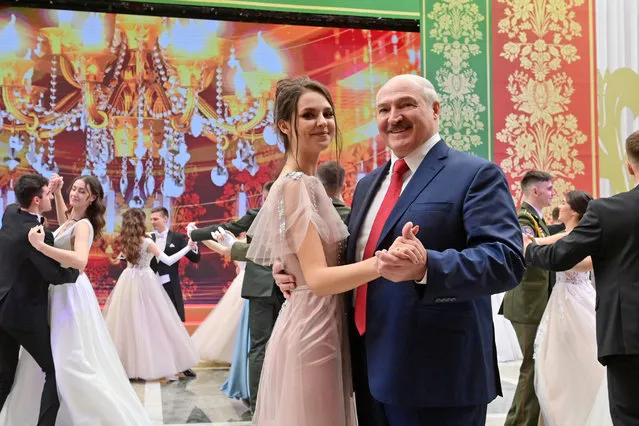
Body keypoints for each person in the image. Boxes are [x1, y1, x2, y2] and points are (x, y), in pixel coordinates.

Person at [274, 74, 526, 426]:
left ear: (435, 110)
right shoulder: (366, 185)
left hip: (438, 377)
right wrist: (290, 266)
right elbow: (350, 256)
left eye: (407, 104)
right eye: (384, 109)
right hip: (364, 369)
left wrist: (427, 266)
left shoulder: (475, 174)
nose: (394, 117)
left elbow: (506, 261)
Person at [0, 174, 152, 425]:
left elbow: (80, 261)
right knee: (56, 357)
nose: (75, 194)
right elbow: (63, 227)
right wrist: (58, 194)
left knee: (69, 357)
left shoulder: (84, 225)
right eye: (74, 189)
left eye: (82, 192)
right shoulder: (72, 220)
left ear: (92, 198)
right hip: (55, 291)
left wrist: (41, 247)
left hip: (69, 290)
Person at [525, 130, 639, 426]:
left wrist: (527, 249)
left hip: (629, 336)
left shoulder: (609, 211)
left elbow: (558, 257)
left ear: (629, 166)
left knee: (629, 416)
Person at [188, 181, 281, 413]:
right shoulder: (292, 216)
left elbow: (226, 227)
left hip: (261, 287)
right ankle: (279, 399)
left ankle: (260, 404)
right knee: (280, 344)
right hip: (286, 285)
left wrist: (195, 234)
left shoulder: (258, 215)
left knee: (259, 346)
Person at [0, 174, 80, 426]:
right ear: (36, 199)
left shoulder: (11, 213)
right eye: (46, 194)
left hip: (3, 308)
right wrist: (78, 266)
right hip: (24, 313)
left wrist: (53, 190)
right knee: (55, 370)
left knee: (4, 375)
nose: (49, 196)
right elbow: (55, 275)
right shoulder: (36, 234)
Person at [532, 190, 612, 426]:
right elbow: (537, 244)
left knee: (581, 356)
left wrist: (557, 258)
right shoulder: (565, 235)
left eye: (565, 203)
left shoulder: (580, 236)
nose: (560, 206)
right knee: (556, 360)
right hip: (560, 300)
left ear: (575, 210)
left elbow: (586, 264)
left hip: (577, 300)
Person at [103, 208, 199, 381]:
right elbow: (168, 260)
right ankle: (160, 363)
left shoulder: (125, 241)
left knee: (129, 324)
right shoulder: (146, 242)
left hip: (128, 280)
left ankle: (128, 366)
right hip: (146, 281)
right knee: (156, 322)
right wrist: (188, 248)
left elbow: (123, 259)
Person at [502, 170, 555, 426]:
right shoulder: (525, 217)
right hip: (527, 304)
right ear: (535, 191)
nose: (553, 193)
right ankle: (518, 422)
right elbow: (529, 251)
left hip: (534, 302)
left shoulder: (536, 218)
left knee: (536, 367)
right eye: (549, 188)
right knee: (530, 368)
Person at [149, 206, 200, 377]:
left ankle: (182, 363)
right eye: (151, 219)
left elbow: (195, 258)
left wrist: (194, 243)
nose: (152, 222)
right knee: (152, 325)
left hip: (170, 287)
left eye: (155, 219)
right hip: (150, 287)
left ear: (165, 219)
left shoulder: (177, 237)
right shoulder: (148, 238)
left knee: (175, 326)